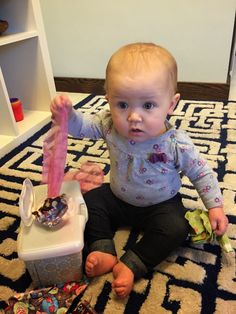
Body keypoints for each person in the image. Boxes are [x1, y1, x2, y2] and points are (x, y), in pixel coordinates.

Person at [50, 43, 228, 298]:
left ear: (171, 104)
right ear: (108, 100)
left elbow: (201, 173)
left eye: (148, 106)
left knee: (177, 227)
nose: (134, 116)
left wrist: (215, 206)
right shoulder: (109, 125)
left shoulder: (176, 143)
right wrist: (68, 115)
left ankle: (133, 263)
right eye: (122, 105)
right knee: (88, 202)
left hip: (161, 203)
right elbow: (83, 129)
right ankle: (103, 249)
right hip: (117, 196)